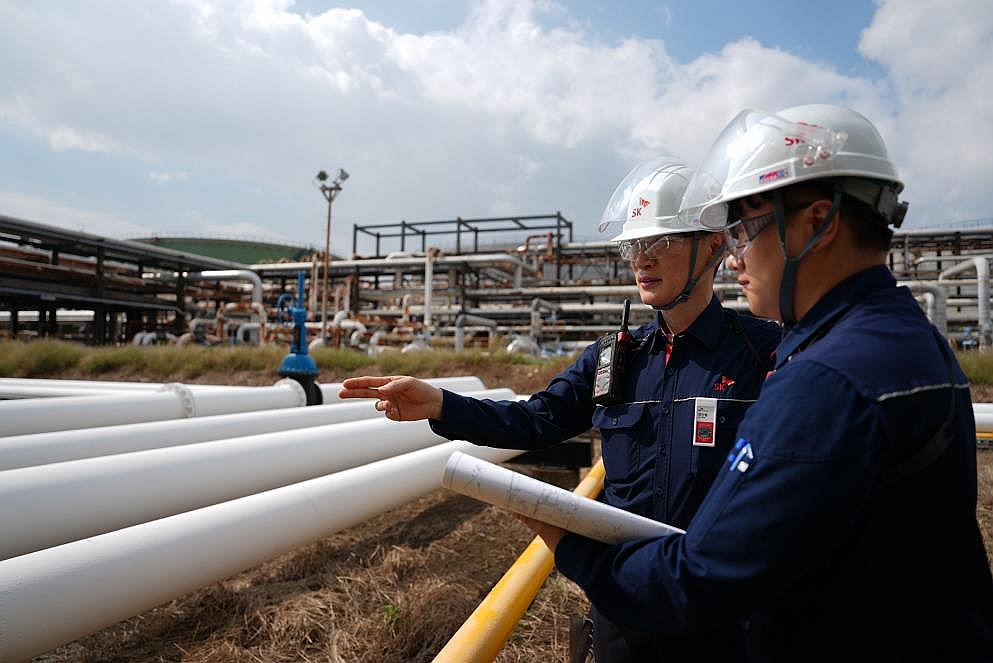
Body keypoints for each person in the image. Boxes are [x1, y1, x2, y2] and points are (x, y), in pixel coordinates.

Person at [522, 104, 993, 661]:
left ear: (818, 222)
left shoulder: (828, 378)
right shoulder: (905, 338)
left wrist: (565, 541)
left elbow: (699, 579)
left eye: (745, 229)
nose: (735, 254)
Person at [340, 155, 781, 661]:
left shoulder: (762, 353)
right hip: (625, 605)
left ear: (713, 247)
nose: (642, 259)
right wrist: (440, 403)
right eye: (633, 245)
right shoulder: (615, 360)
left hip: (721, 616)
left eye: (659, 242)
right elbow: (534, 421)